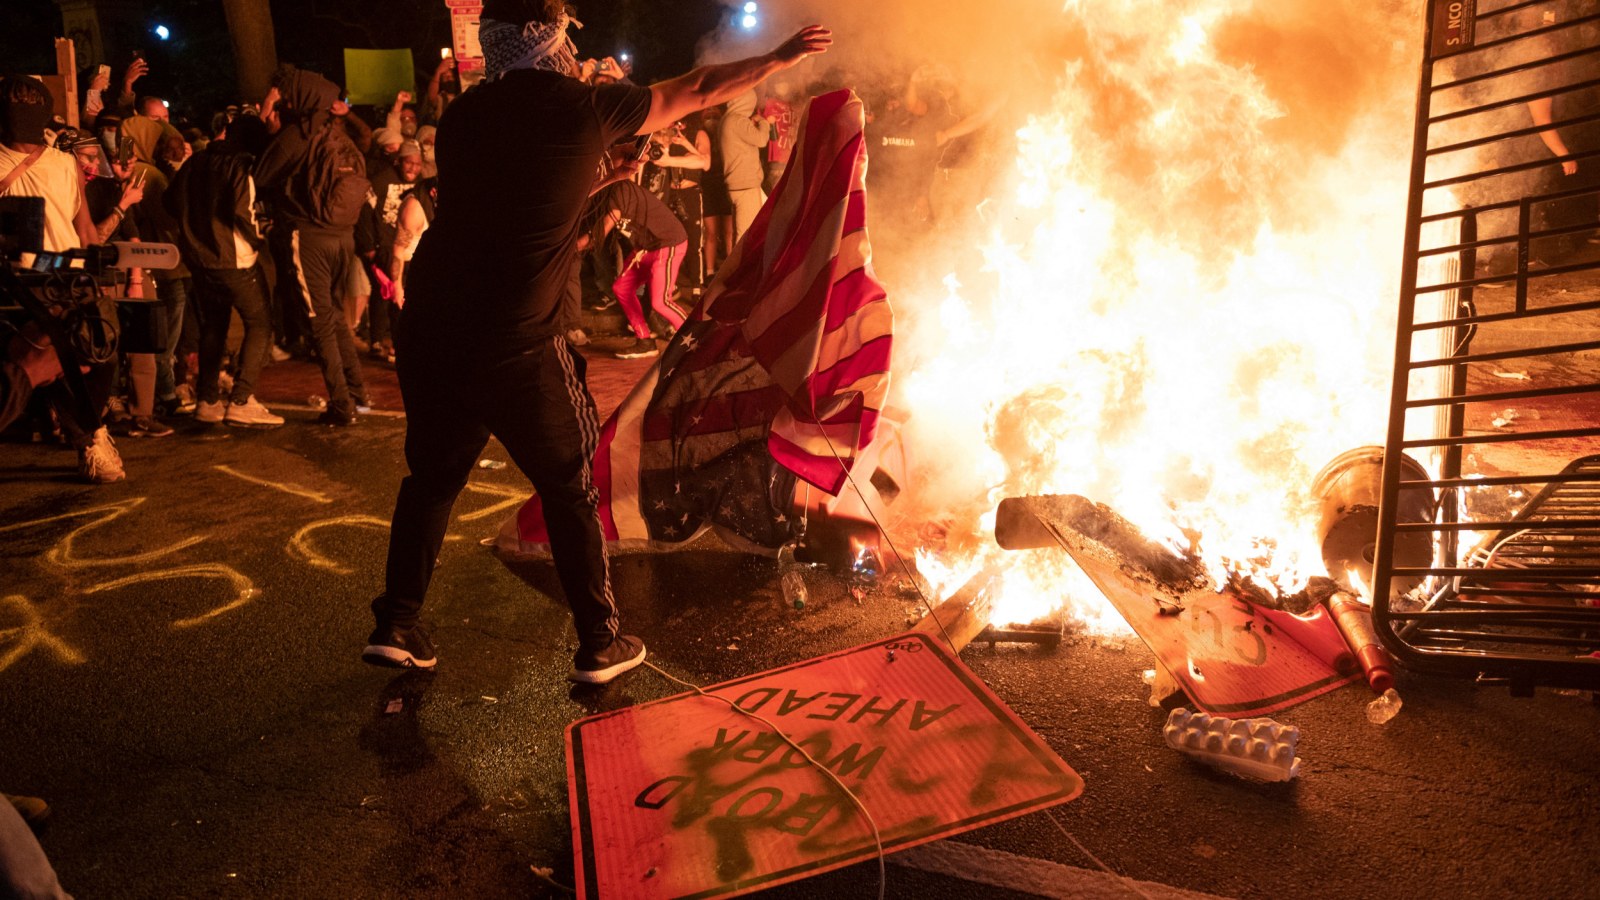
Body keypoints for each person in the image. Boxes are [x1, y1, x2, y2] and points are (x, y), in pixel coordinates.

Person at [364, 0, 831, 683]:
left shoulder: (465, 117)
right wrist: (777, 58)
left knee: (431, 480)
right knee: (570, 484)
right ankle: (599, 644)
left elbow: (513, 200)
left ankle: (396, 622)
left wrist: (604, 178)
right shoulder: (584, 108)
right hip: (516, 339)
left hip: (434, 327)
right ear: (550, 38)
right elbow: (695, 90)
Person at [0, 75, 123, 483]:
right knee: (49, 363)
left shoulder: (63, 161)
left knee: (94, 357)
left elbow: (83, 226)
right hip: (17, 281)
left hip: (67, 274)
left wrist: (98, 277)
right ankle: (89, 440)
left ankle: (88, 436)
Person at [255, 65, 371, 426]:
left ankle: (340, 405)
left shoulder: (297, 135)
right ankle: (358, 393)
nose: (284, 102)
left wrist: (265, 118)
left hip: (308, 237)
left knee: (319, 323)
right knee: (335, 317)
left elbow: (259, 175)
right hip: (343, 236)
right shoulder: (338, 133)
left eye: (286, 96)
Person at [165, 114, 283, 427]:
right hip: (234, 259)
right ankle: (242, 399)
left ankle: (207, 401)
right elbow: (243, 213)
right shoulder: (241, 166)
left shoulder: (196, 162)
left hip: (199, 260)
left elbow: (170, 201)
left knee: (213, 327)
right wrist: (262, 236)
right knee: (260, 323)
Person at [585, 176, 688, 359]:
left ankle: (697, 341)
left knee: (660, 301)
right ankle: (645, 342)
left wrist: (574, 245)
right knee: (621, 288)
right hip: (646, 246)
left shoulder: (619, 189)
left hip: (668, 242)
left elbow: (600, 232)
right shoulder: (601, 196)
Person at [718, 89, 768, 242]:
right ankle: (739, 266)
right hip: (746, 186)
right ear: (747, 102)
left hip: (740, 185)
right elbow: (761, 140)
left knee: (766, 222)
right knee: (745, 237)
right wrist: (764, 122)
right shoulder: (738, 120)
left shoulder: (726, 120)